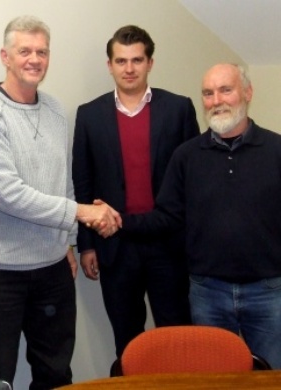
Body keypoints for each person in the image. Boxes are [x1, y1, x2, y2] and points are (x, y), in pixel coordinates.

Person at [0, 15, 118, 390]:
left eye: (42, 52)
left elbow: (61, 181)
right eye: (25, 51)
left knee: (55, 374)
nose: (35, 59)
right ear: (5, 56)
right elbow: (8, 194)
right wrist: (82, 213)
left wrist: (67, 240)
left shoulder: (53, 109)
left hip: (52, 270)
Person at [121, 63, 281, 369]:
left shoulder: (276, 150)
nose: (216, 100)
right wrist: (117, 221)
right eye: (208, 93)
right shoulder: (186, 156)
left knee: (271, 378)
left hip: (269, 294)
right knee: (211, 378)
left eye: (226, 90)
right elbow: (166, 217)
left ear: (247, 92)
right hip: (208, 294)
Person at [72, 25, 198, 368]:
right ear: (110, 65)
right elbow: (82, 185)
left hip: (168, 246)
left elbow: (194, 182)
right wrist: (86, 245)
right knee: (128, 345)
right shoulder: (89, 115)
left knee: (178, 341)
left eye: (137, 60)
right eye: (121, 60)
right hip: (115, 247)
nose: (129, 68)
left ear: (150, 63)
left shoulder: (179, 109)